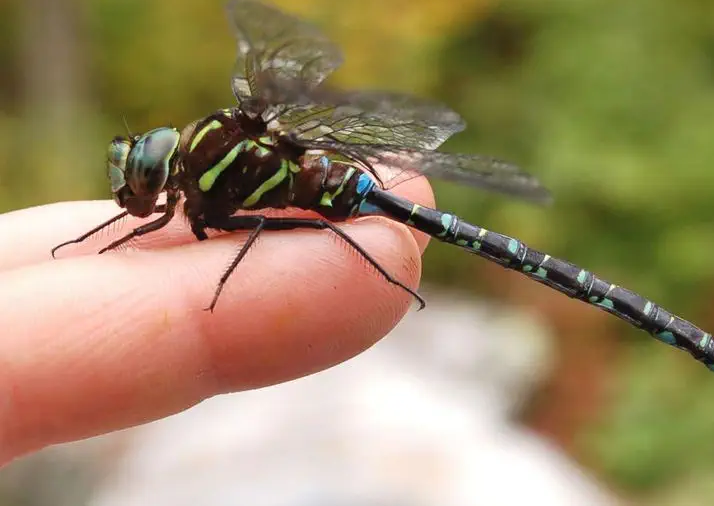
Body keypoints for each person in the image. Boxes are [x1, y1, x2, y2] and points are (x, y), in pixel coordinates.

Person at [0, 178, 433, 465]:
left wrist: (224, 282)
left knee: (317, 229)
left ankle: (392, 277)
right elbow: (159, 219)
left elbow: (256, 223)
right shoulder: (189, 184)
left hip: (337, 193)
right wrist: (87, 242)